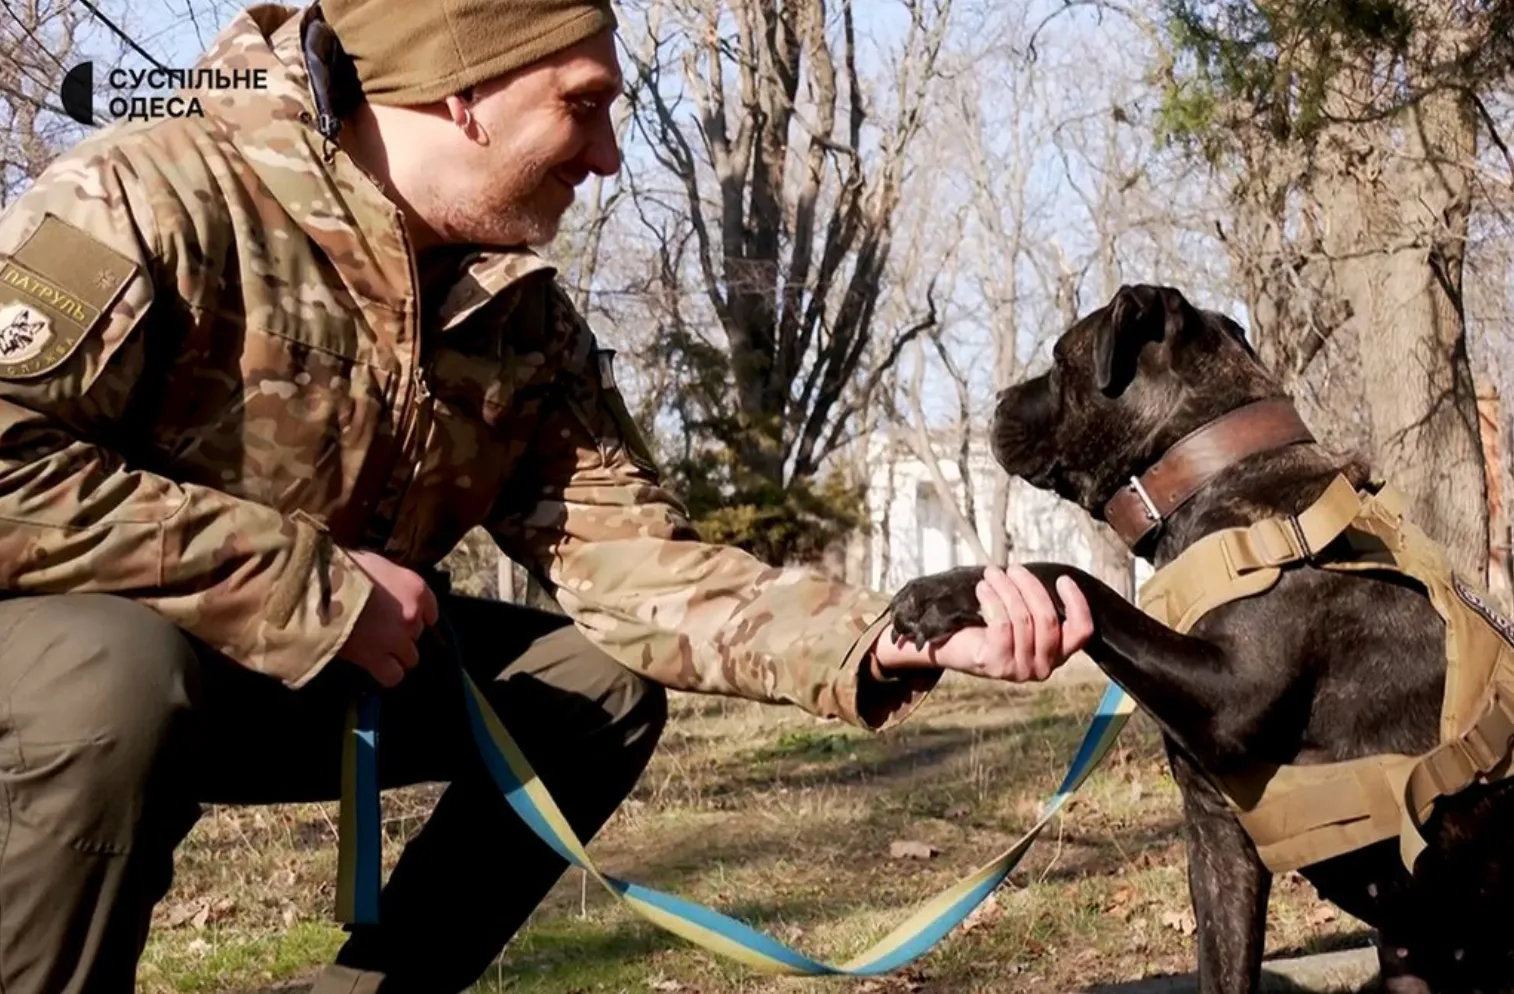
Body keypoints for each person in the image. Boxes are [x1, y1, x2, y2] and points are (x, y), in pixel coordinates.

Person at [0, 1, 1094, 992]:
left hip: (282, 681)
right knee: (116, 678)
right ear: (461, 92)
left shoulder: (518, 320)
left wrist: (887, 636)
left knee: (588, 690)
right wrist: (308, 583)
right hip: (67, 682)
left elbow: (639, 566)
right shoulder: (149, 197)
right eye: (584, 107)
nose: (610, 156)